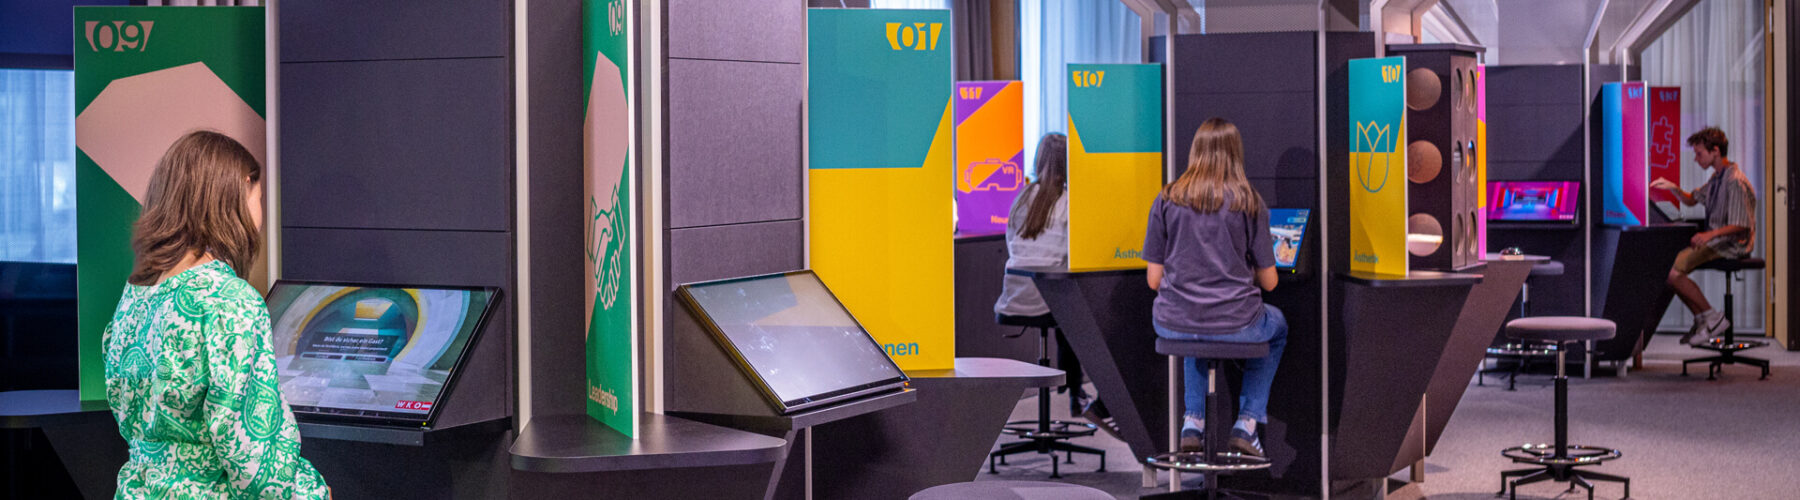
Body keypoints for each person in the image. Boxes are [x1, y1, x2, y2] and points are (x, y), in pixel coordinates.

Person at [103, 130, 330, 499]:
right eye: (259, 198)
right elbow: (253, 456)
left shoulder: (135, 297)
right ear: (240, 190)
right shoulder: (231, 301)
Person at [1143, 118, 1287, 457]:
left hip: (1171, 322)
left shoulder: (1166, 199)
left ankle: (1192, 422)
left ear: (1195, 151)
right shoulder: (1249, 202)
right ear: (1236, 154)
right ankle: (1247, 424)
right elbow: (1270, 281)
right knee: (1277, 327)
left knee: (1193, 325)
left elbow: (1153, 280)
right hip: (1237, 322)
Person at [994, 133, 1118, 435]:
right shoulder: (1070, 203)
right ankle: (1086, 397)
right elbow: (1078, 253)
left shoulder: (1021, 199)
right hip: (1050, 300)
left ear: (1039, 161)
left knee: (1067, 312)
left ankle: (1075, 392)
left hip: (1015, 298)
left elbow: (1012, 245)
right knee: (1090, 316)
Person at [1651, 127, 1758, 345]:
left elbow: (1741, 225)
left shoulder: (1734, 181)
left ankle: (1712, 317)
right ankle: (1702, 319)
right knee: (1669, 270)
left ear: (1715, 151)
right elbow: (1692, 200)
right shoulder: (1717, 179)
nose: (1696, 159)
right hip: (1717, 241)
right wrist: (1674, 188)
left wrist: (1709, 235)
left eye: (1699, 153)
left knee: (1672, 272)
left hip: (1731, 245)